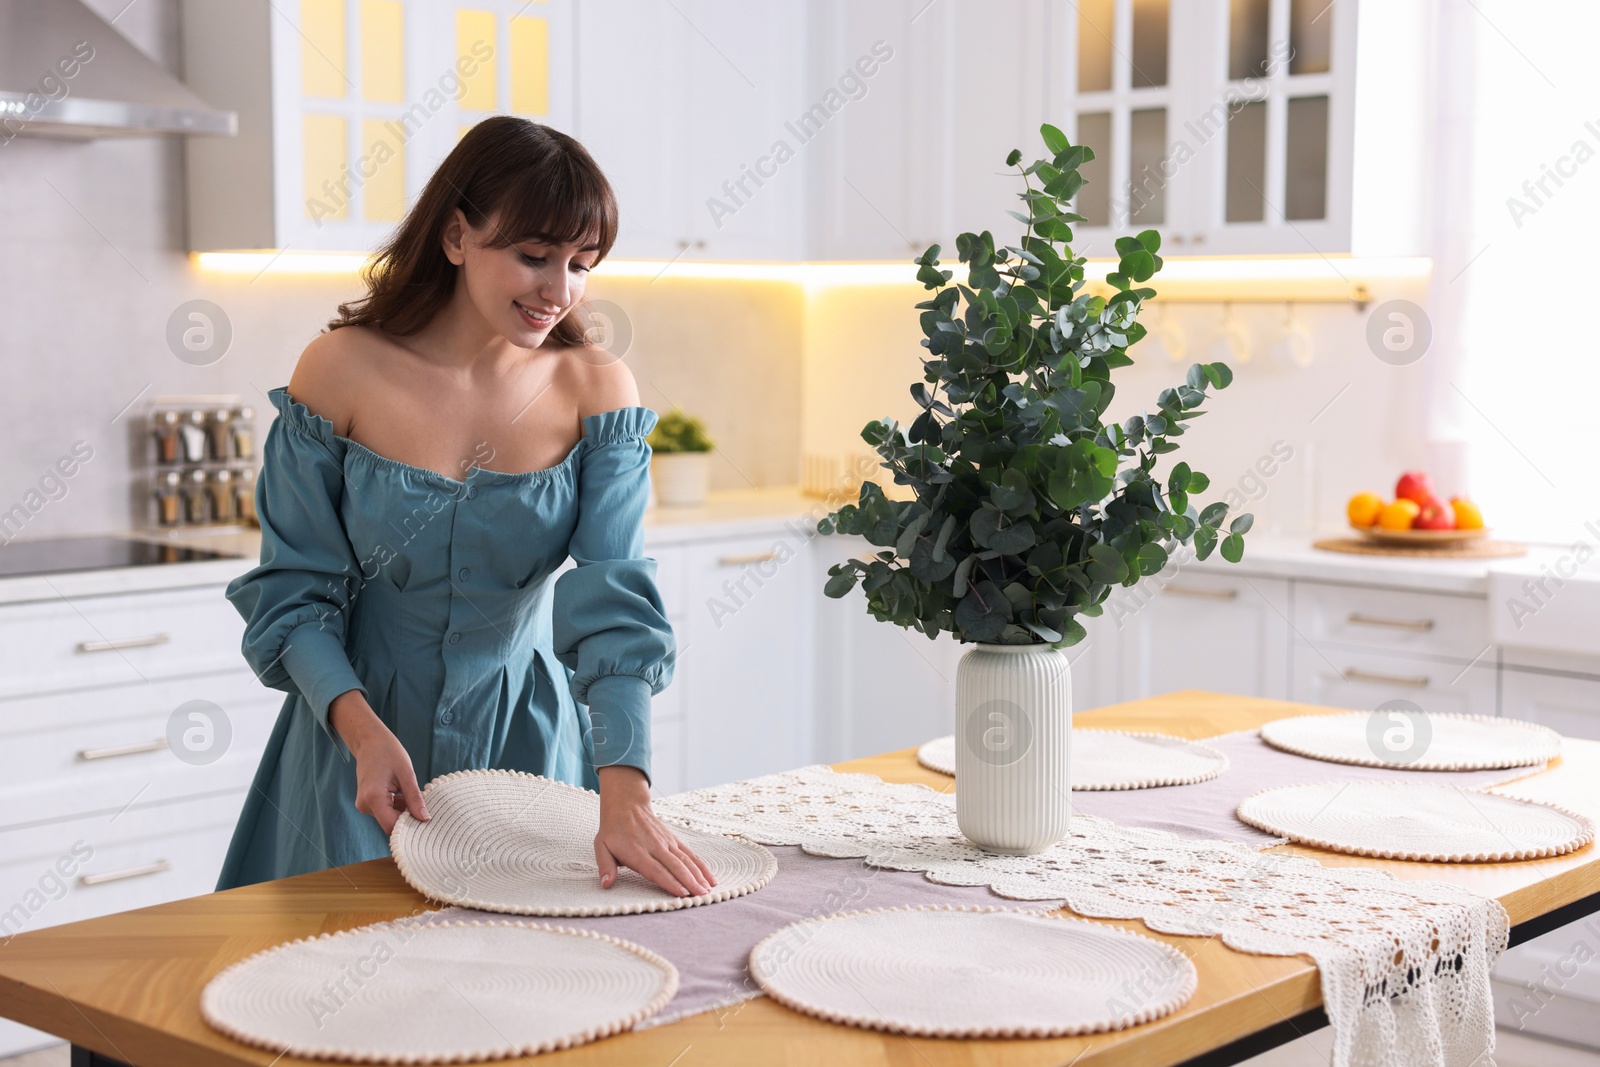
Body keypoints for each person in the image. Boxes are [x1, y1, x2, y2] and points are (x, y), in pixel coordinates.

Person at [216, 116, 714, 900]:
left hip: (526, 752)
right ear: (456, 236)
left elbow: (615, 607)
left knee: (522, 1002)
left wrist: (627, 793)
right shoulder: (340, 371)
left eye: (582, 264)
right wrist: (359, 730)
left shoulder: (596, 388)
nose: (560, 290)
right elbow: (295, 596)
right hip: (357, 751)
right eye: (534, 256)